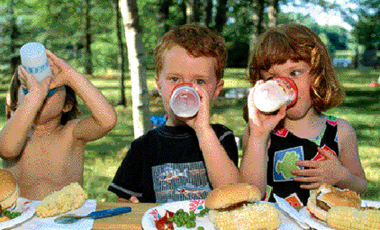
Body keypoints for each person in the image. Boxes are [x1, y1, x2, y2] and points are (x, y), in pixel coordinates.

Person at [108, 24, 240, 203]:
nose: (185, 90)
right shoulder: (143, 148)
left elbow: (232, 194)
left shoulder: (220, 137)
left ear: (216, 90)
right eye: (175, 79)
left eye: (199, 81)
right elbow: (123, 203)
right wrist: (134, 209)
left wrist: (203, 130)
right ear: (159, 85)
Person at [239, 23, 367, 206]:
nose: (284, 85)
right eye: (272, 78)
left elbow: (360, 186)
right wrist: (258, 136)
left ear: (318, 74)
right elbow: (248, 195)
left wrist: (341, 176)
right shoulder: (258, 132)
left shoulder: (340, 131)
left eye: (295, 72)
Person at [0, 50, 117, 200]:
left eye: (51, 87)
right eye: (28, 88)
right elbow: (7, 150)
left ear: (67, 105)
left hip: (68, 219)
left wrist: (71, 76)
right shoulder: (13, 135)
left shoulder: (72, 133)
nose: (41, 90)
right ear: (16, 104)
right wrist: (33, 98)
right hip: (22, 220)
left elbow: (107, 120)